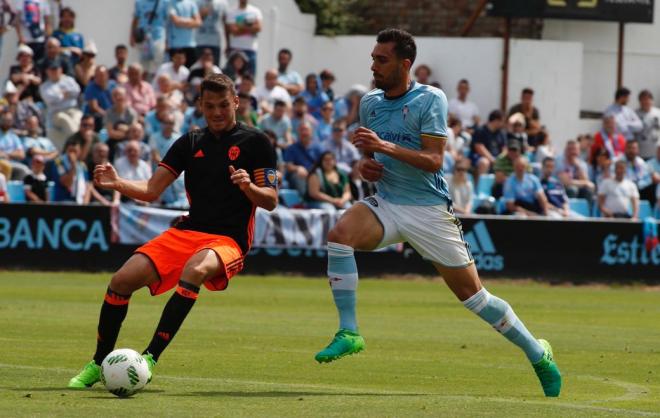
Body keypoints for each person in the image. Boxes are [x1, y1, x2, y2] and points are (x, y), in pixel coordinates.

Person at [314, 29, 561, 398]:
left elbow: (434, 161)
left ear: (405, 63)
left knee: (474, 297)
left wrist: (384, 146)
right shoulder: (369, 103)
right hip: (387, 203)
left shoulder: (432, 99)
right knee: (339, 236)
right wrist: (368, 166)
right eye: (373, 58)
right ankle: (349, 332)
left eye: (382, 59)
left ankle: (537, 352)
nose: (374, 66)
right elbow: (371, 158)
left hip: (428, 211)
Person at [67, 73, 278, 389]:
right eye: (210, 106)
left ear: (236, 102)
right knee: (121, 280)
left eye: (223, 105)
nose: (217, 112)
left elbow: (271, 200)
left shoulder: (257, 143)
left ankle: (149, 358)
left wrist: (248, 187)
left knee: (196, 270)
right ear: (200, 106)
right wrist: (117, 183)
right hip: (186, 232)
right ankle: (99, 362)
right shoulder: (189, 142)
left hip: (228, 240)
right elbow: (153, 189)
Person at [131, 0, 169, 79]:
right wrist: (132, 36)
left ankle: (157, 83)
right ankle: (143, 83)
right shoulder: (139, 2)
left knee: (159, 63)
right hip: (144, 39)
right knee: (143, 64)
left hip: (158, 37)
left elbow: (167, 22)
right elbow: (135, 20)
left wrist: (167, 40)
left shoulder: (165, 2)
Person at [284, 121, 321, 195]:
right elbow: (288, 166)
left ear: (311, 132)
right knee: (299, 175)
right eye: (301, 130)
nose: (304, 132)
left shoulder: (318, 147)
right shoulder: (292, 148)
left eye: (306, 129)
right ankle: (304, 200)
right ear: (298, 132)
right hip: (299, 175)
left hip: (314, 174)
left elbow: (323, 163)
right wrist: (298, 168)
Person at [47, 139, 89, 203]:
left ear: (80, 151)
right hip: (63, 201)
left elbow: (87, 186)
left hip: (80, 202)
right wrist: (73, 165)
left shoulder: (82, 165)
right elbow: (67, 183)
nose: (72, 154)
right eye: (70, 151)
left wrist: (85, 204)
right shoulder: (59, 163)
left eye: (75, 151)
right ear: (66, 150)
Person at [226, 0, 261, 77]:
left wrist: (239, 26)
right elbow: (233, 31)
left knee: (249, 77)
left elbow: (258, 28)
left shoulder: (255, 11)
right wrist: (250, 26)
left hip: (250, 49)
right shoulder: (231, 12)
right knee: (232, 77)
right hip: (236, 49)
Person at [620, 139, 657, 207]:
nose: (631, 151)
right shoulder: (619, 161)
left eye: (633, 148)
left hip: (639, 189)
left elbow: (646, 179)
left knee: (653, 186)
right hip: (624, 189)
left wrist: (640, 184)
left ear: (637, 150)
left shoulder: (641, 162)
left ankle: (652, 213)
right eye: (629, 148)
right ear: (625, 149)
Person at [470, 110, 506, 176]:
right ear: (496, 120)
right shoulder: (480, 131)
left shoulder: (501, 133)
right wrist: (492, 160)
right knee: (484, 162)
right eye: (502, 121)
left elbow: (504, 148)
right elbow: (479, 147)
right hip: (480, 158)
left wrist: (501, 160)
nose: (503, 124)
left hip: (497, 159)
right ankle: (481, 186)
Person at [167, 0, 202, 67]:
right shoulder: (169, 3)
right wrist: (191, 20)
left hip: (191, 45)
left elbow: (198, 22)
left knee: (190, 74)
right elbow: (176, 22)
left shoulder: (192, 3)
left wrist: (182, 22)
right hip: (175, 46)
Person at [195, 0, 228, 66]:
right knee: (198, 69)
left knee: (215, 71)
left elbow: (225, 24)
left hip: (215, 43)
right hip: (200, 43)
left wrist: (227, 44)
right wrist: (202, 14)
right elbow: (193, 21)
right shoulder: (197, 2)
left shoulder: (223, 3)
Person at [84, 66, 116, 131]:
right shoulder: (91, 88)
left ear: (107, 75)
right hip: (98, 116)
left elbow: (117, 101)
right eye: (97, 75)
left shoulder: (113, 85)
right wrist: (108, 115)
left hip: (112, 114)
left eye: (102, 75)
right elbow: (94, 107)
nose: (99, 78)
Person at [0, 110, 29, 180]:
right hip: (1, 164)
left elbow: (21, 154)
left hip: (13, 164)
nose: (7, 122)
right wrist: (13, 154)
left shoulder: (13, 136)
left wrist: (6, 154)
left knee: (24, 170)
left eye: (9, 120)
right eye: (5, 120)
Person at [635, 90, 660, 160]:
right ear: (639, 101)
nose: (645, 102)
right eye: (643, 99)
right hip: (640, 153)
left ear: (652, 100)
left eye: (648, 99)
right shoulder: (634, 114)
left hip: (656, 152)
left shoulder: (658, 113)